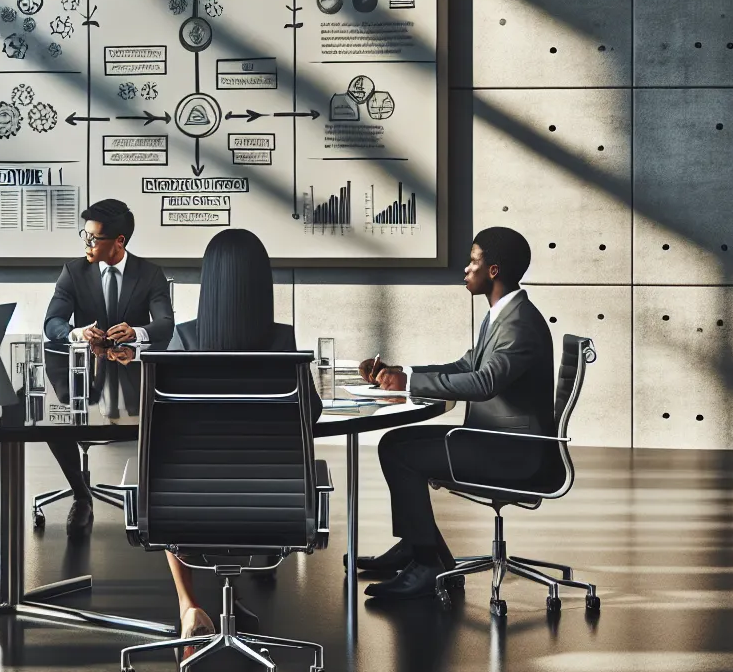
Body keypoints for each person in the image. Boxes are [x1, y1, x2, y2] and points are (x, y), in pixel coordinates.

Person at [354, 226, 555, 601]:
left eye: (473, 261)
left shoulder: (519, 323)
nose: (466, 269)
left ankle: (428, 562)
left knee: (400, 454)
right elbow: (468, 364)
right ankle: (417, 546)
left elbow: (483, 383)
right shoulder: (503, 313)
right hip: (494, 440)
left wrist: (407, 386)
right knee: (395, 441)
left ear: (493, 270)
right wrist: (403, 373)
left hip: (513, 453)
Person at [164, 228, 306, 642]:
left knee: (173, 474)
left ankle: (188, 605)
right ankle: (227, 595)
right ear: (262, 283)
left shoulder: (186, 338)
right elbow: (308, 413)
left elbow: (165, 425)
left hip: (189, 514)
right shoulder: (282, 339)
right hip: (271, 509)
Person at [40, 198, 175, 535]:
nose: (86, 244)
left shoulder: (150, 274)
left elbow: (166, 325)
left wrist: (138, 332)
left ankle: (153, 499)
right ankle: (81, 494)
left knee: (163, 414)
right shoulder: (73, 271)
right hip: (85, 376)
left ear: (119, 242)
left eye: (94, 238)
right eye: (84, 236)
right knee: (50, 417)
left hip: (132, 378)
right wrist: (77, 332)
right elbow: (52, 321)